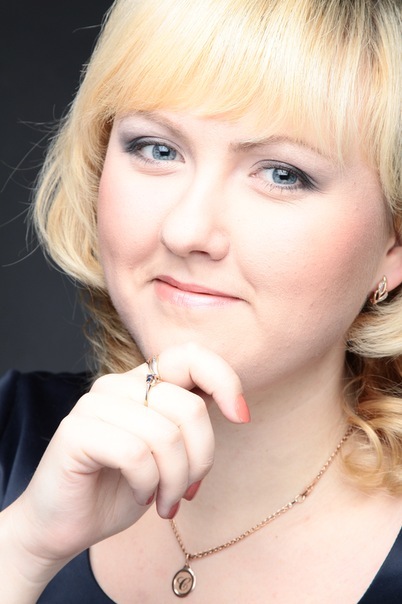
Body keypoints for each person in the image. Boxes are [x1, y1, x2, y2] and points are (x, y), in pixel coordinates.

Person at [1, 0, 401, 601]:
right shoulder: (12, 438)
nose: (186, 231)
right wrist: (24, 546)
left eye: (282, 174)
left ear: (393, 245)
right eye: (158, 149)